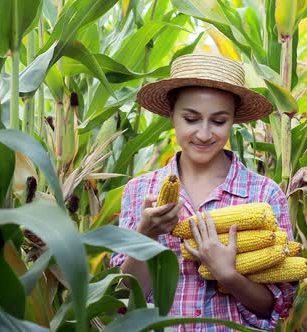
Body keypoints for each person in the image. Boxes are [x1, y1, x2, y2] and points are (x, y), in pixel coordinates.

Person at [110, 53, 296, 331]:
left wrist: (228, 275)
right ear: (171, 115)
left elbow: (276, 306)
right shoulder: (139, 191)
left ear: (233, 121)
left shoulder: (265, 194)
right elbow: (123, 294)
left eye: (219, 121)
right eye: (191, 119)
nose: (204, 134)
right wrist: (147, 235)